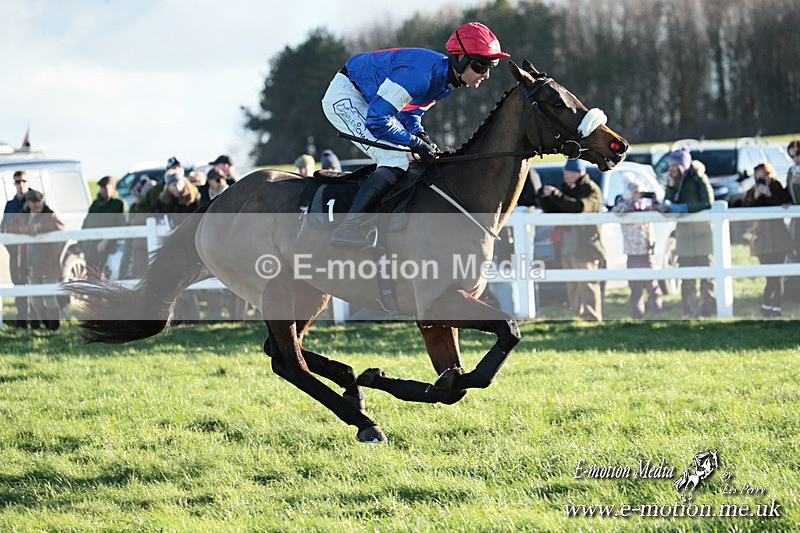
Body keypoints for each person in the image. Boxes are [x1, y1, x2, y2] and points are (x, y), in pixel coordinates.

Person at [322, 21, 510, 247]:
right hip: (346, 97)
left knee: (414, 157)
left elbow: (408, 115)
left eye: (492, 66)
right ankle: (348, 227)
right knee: (395, 158)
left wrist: (422, 137)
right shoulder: (421, 76)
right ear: (460, 58)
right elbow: (377, 120)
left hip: (370, 101)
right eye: (481, 66)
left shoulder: (445, 82)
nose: (486, 75)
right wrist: (414, 143)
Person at [538, 159, 605, 321]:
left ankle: (593, 317)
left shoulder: (592, 190)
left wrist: (556, 195)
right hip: (566, 244)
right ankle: (578, 316)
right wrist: (545, 197)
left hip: (585, 245)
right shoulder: (566, 189)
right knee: (572, 283)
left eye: (569, 173)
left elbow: (579, 208)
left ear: (579, 173)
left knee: (587, 283)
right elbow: (555, 210)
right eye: (565, 173)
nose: (566, 176)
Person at [659, 147, 715, 318]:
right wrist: (669, 187)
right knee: (686, 277)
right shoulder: (674, 181)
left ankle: (707, 311)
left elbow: (708, 202)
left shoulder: (698, 178)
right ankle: (690, 312)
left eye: (674, 165)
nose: (672, 169)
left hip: (702, 233)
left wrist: (685, 208)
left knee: (707, 276)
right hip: (683, 235)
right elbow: (667, 203)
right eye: (670, 166)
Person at [6, 190, 64, 330]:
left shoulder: (49, 213)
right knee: (36, 300)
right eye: (34, 201)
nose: (37, 204)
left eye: (39, 201)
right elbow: (8, 227)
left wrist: (39, 228)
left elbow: (60, 226)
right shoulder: (23, 215)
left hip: (47, 263)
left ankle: (54, 328)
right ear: (29, 203)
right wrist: (26, 229)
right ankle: (48, 325)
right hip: (30, 263)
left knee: (50, 297)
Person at [743, 162, 792, 317]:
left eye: (765, 175)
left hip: (779, 238)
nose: (763, 180)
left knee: (778, 276)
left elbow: (782, 203)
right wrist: (757, 196)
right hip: (762, 238)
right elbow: (746, 211)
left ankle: (775, 308)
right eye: (759, 178)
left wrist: (769, 194)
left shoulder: (778, 189)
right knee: (769, 275)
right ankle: (766, 307)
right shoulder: (752, 191)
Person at [612, 178, 664, 319]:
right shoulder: (623, 203)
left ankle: (657, 311)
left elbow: (659, 210)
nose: (639, 194)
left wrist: (652, 200)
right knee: (635, 285)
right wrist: (632, 200)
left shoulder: (645, 204)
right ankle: (637, 314)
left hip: (647, 249)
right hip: (632, 251)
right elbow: (617, 212)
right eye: (635, 191)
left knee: (652, 282)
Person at [2, 170, 34, 328]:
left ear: (28, 182)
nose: (21, 184)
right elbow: (3, 228)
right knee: (19, 286)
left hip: (34, 254)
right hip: (16, 254)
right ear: (14, 183)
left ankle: (36, 322)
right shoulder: (10, 205)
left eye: (23, 181)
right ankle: (21, 321)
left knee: (35, 287)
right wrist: (12, 249)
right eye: (17, 181)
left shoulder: (35, 201)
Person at [81, 175, 128, 279]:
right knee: (90, 275)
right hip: (91, 245)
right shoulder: (95, 204)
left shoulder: (117, 204)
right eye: (102, 188)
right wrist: (81, 240)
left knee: (102, 275)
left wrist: (107, 240)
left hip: (107, 246)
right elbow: (86, 223)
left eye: (106, 188)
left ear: (113, 189)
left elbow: (119, 225)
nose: (103, 190)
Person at [787, 140, 800, 256]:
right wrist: (787, 202)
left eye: (798, 154)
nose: (795, 159)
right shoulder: (791, 171)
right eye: (792, 156)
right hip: (796, 219)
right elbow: (789, 192)